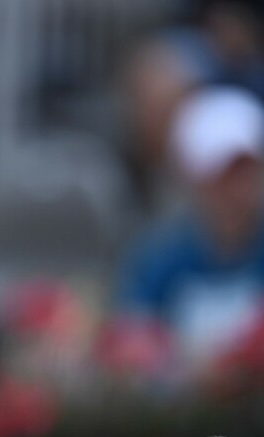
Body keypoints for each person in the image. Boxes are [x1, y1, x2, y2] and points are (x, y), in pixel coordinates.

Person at [112, 85, 264, 377]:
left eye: (245, 172)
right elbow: (130, 340)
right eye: (220, 175)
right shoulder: (158, 258)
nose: (235, 190)